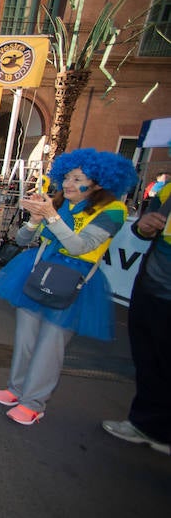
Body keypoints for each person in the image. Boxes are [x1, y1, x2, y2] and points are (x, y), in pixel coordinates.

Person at [0, 149, 137, 425]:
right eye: (67, 177)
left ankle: (34, 402)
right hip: (38, 270)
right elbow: (21, 238)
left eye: (78, 178)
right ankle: (16, 389)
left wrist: (51, 216)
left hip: (74, 279)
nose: (68, 183)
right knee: (25, 339)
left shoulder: (113, 210)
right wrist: (34, 219)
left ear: (99, 182)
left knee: (50, 345)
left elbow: (80, 246)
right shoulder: (57, 202)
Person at [103, 169, 171, 455]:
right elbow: (143, 230)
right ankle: (147, 425)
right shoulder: (166, 191)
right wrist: (144, 225)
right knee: (147, 361)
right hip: (151, 287)